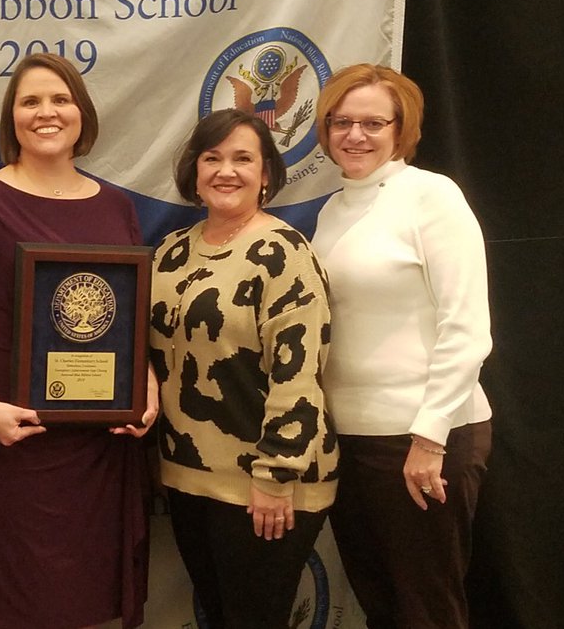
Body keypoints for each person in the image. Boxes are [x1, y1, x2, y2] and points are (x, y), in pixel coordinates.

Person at [0, 53, 156, 629]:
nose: (46, 112)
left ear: (82, 113)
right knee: (6, 607)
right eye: (30, 101)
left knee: (87, 607)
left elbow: (127, 321)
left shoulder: (116, 206)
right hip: (7, 446)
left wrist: (147, 391)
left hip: (99, 451)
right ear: (11, 119)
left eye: (60, 99)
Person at [311, 64, 492, 629]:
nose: (356, 135)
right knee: (381, 604)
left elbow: (467, 328)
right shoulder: (331, 210)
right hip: (352, 440)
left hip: (425, 439)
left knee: (427, 611)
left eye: (372, 122)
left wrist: (430, 437)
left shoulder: (431, 197)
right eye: (343, 121)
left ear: (401, 128)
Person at [149, 108, 338, 629]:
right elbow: (150, 352)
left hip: (268, 480)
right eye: (212, 158)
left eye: (242, 158)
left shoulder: (284, 253)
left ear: (267, 174)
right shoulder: (169, 253)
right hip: (189, 475)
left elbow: (297, 373)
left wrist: (276, 477)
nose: (225, 171)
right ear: (194, 170)